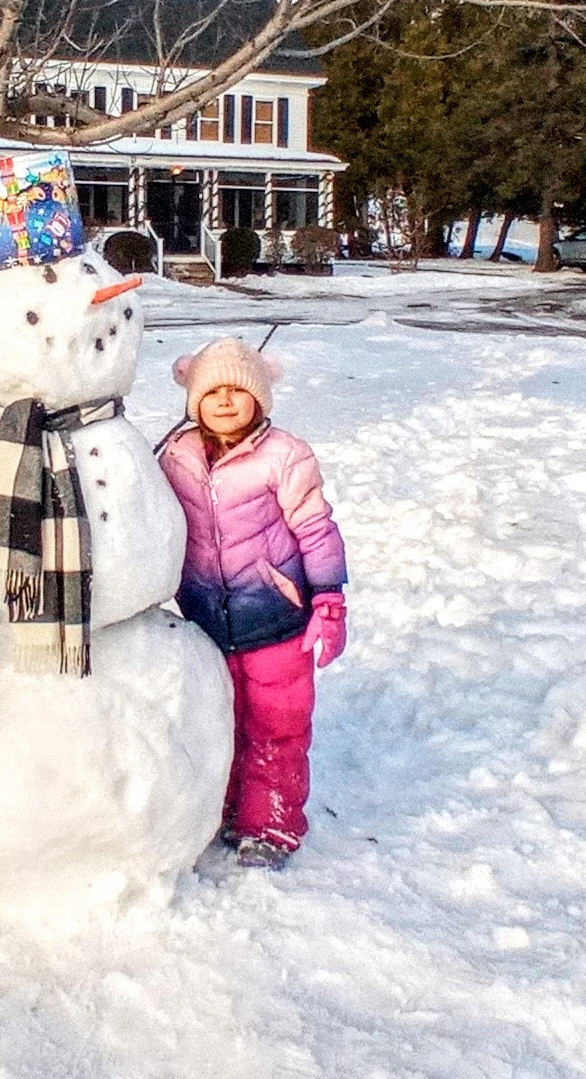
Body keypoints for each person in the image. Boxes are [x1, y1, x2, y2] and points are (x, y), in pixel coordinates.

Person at [158, 337, 348, 870]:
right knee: (219, 722)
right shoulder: (176, 457)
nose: (223, 401)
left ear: (259, 399)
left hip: (276, 621)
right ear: (193, 400)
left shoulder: (285, 456)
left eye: (236, 391)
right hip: (205, 622)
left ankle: (270, 824)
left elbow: (315, 529)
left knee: (276, 727)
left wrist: (328, 601)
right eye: (211, 391)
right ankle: (220, 810)